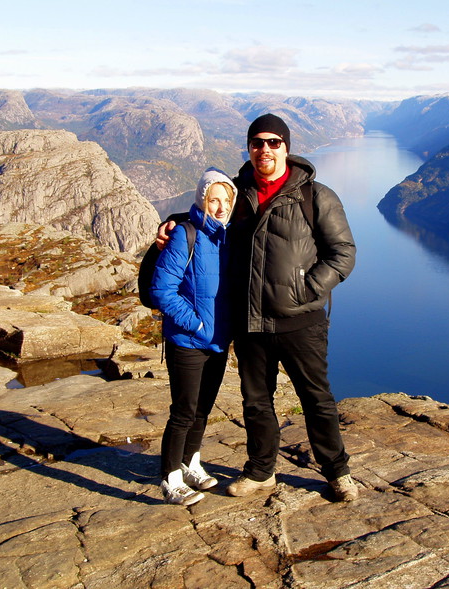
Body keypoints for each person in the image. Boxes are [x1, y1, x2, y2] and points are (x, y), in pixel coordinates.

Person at [158, 114, 358, 502]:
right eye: (256, 142)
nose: (264, 149)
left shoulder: (315, 196)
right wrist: (174, 221)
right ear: (249, 147)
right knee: (256, 402)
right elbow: (210, 214)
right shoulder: (240, 194)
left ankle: (337, 471)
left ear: (286, 147)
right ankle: (261, 471)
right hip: (252, 321)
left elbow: (343, 253)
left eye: (273, 142)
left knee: (316, 398)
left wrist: (307, 288)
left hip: (302, 320)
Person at [150, 167, 236, 506]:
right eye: (213, 200)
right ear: (201, 200)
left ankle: (192, 464)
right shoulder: (185, 235)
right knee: (183, 411)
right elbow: (162, 290)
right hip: (188, 342)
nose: (219, 207)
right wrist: (197, 324)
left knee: (203, 410)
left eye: (225, 201)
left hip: (217, 343)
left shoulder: (227, 239)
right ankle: (170, 479)